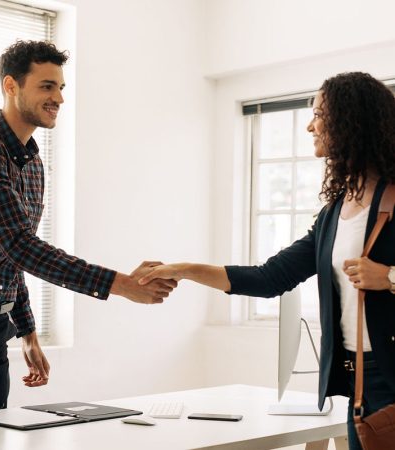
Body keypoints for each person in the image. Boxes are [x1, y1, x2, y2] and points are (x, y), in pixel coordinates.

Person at [138, 72, 395, 450]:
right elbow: (269, 277)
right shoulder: (334, 214)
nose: (310, 125)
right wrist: (184, 270)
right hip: (357, 377)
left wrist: (389, 277)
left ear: (351, 120)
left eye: (320, 114)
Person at [0, 40, 176, 413]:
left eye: (61, 87)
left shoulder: (34, 166)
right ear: (11, 86)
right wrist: (124, 286)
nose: (59, 99)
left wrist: (26, 330)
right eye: (47, 86)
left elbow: (9, 259)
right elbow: (19, 244)